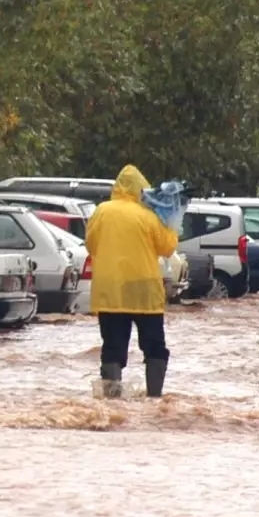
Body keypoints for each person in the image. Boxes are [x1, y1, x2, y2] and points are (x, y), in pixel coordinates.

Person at [85, 165, 180, 398]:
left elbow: (90, 243)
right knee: (154, 347)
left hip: (110, 291)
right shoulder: (148, 216)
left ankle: (112, 401)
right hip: (144, 291)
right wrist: (172, 222)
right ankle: (155, 399)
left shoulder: (101, 211)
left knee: (112, 349)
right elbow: (168, 248)